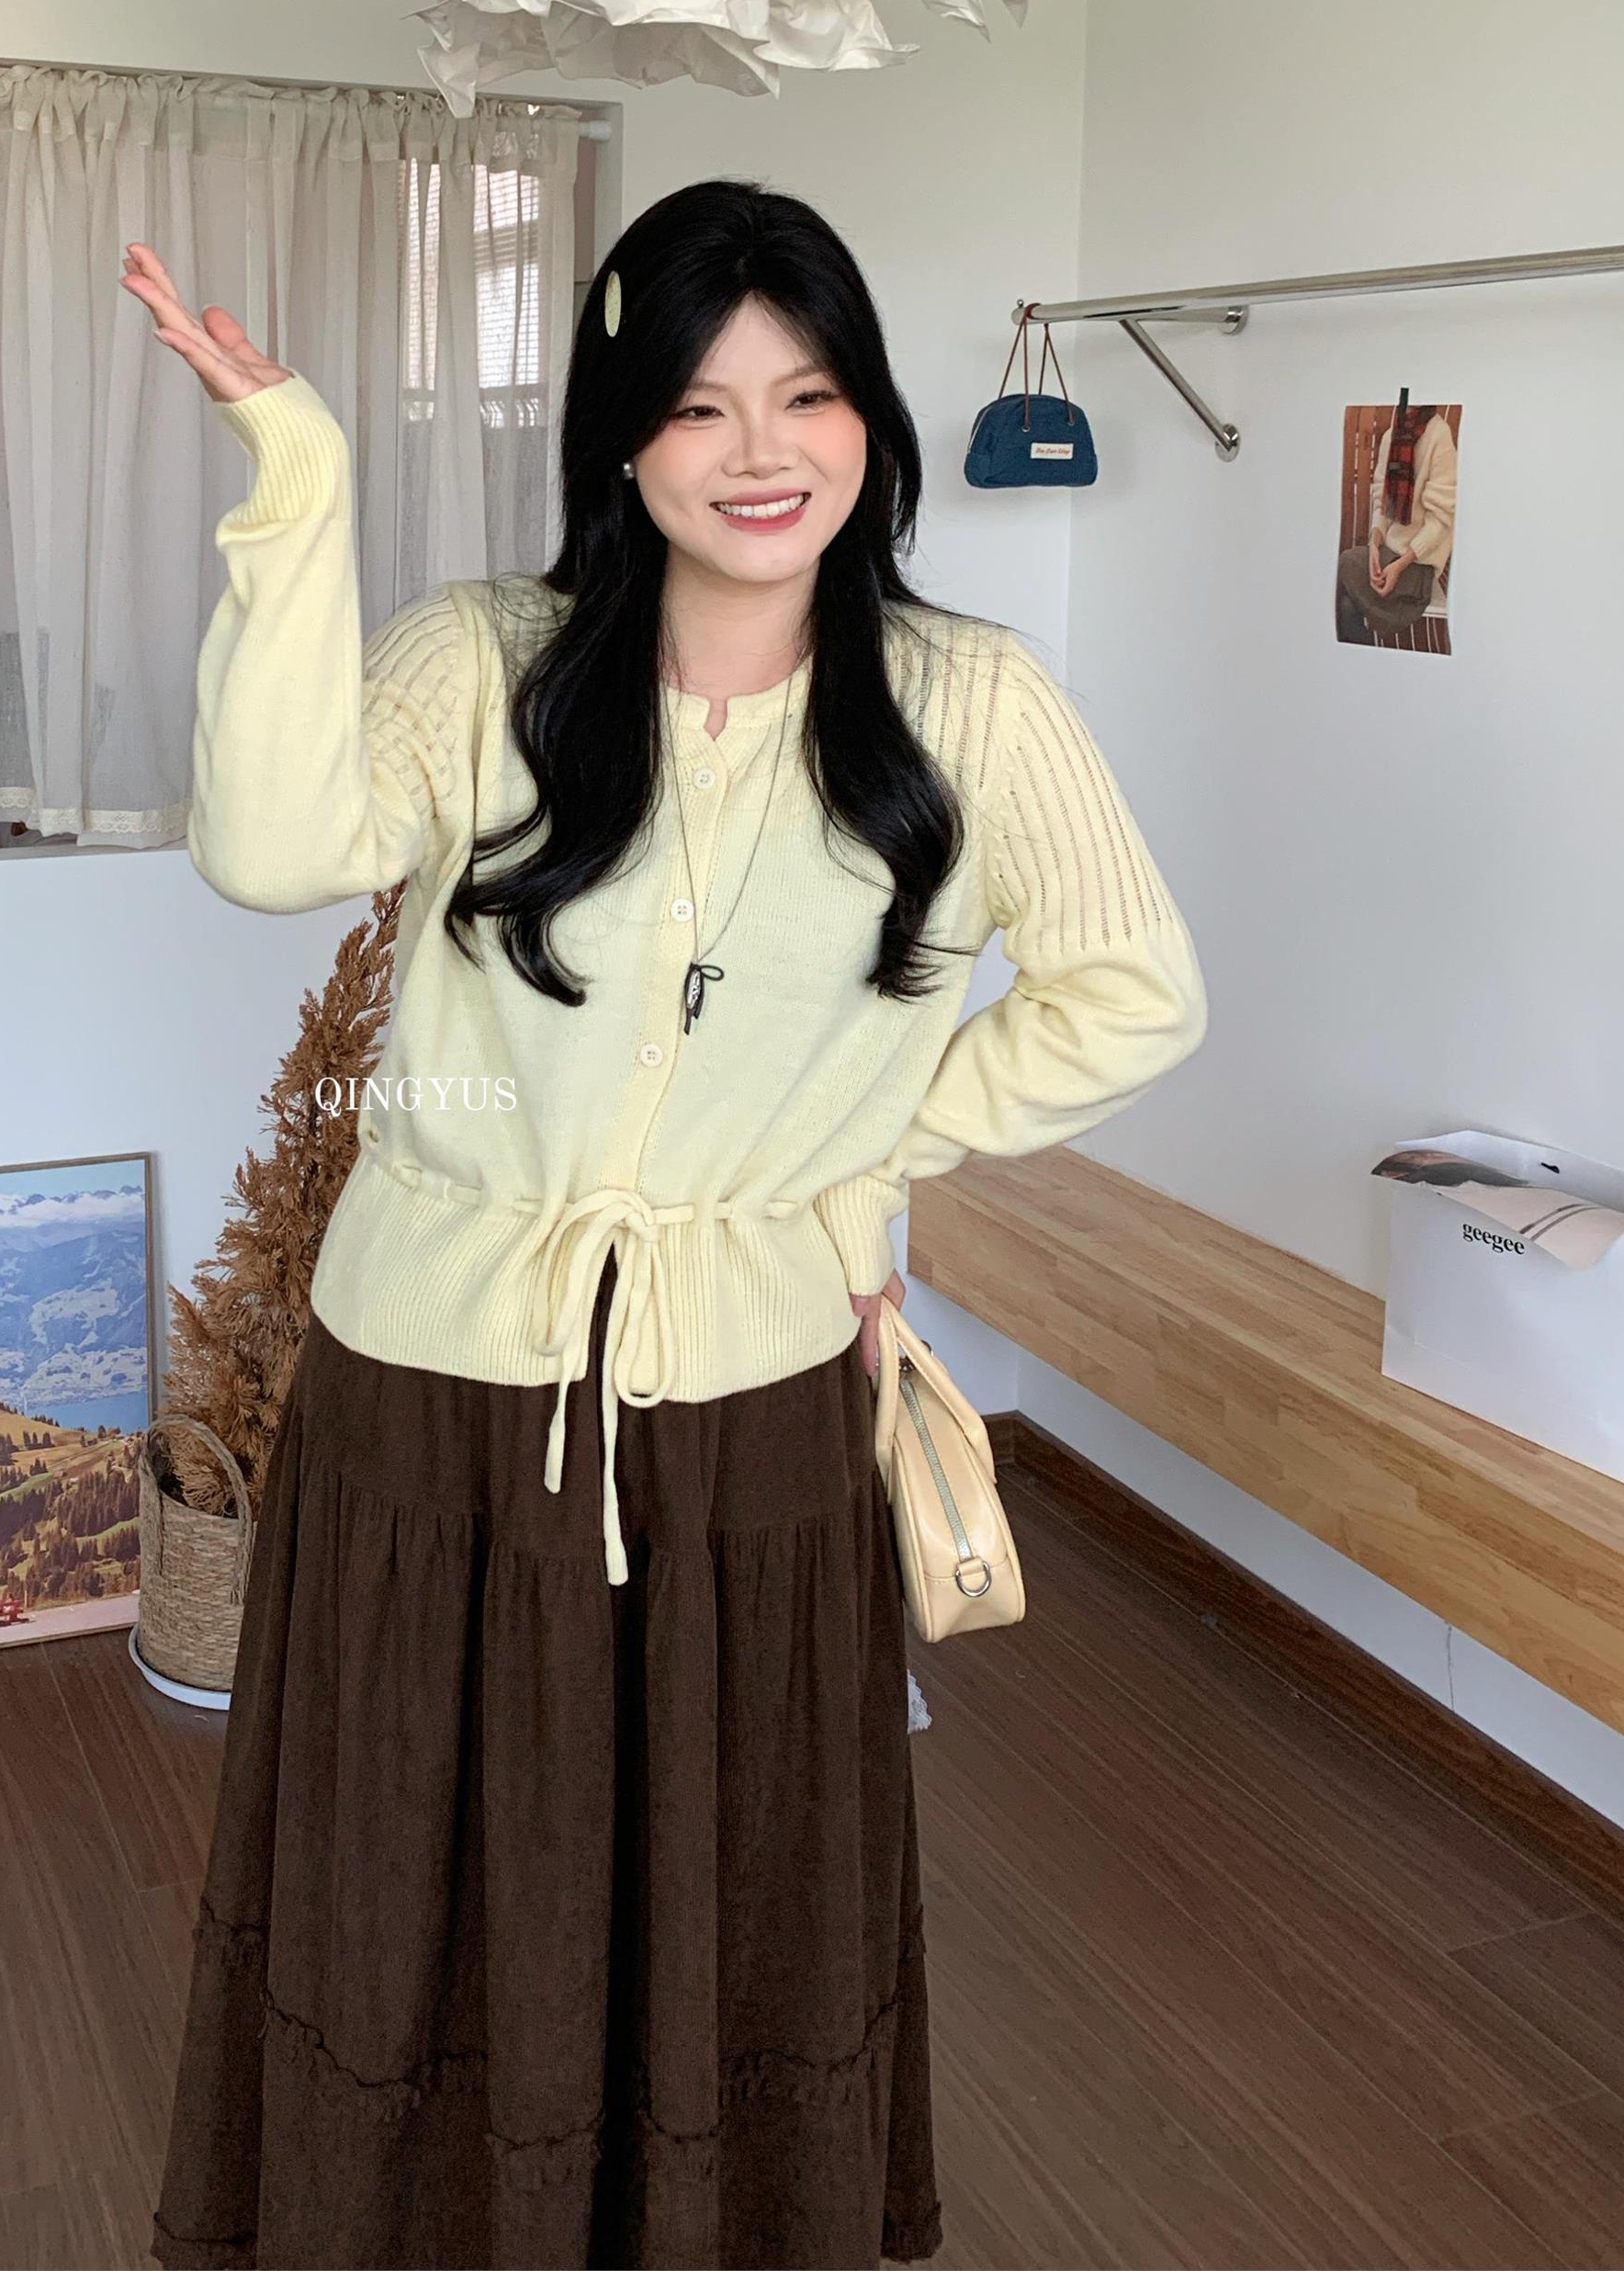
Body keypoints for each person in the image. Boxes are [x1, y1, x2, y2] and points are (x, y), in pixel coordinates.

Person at [127, 179, 1208, 2271]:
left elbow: (1131, 989)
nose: (759, 450)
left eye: (807, 394)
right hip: (433, 1394)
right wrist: (295, 476)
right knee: (413, 1875)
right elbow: (266, 846)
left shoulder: (967, 702)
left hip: (750, 1400)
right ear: (622, 439)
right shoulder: (482, 660)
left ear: (871, 419)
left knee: (731, 1885)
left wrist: (867, 1146)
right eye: (700, 404)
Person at [1336, 401, 1458, 638]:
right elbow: (1382, 503)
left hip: (1420, 564)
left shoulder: (1439, 436)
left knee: (1347, 566)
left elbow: (1441, 518)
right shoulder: (1392, 436)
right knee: (1346, 603)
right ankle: (1373, 646)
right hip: (1388, 554)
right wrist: (1373, 546)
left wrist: (1400, 565)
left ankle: (1388, 620)